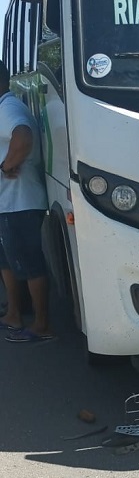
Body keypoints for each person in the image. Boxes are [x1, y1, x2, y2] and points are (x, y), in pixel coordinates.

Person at [0, 59, 52, 342]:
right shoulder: (5, 107)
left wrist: (6, 166)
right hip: (9, 203)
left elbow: (23, 136)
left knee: (31, 264)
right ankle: (14, 314)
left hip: (20, 202)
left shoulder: (8, 108)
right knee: (8, 261)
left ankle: (42, 326)